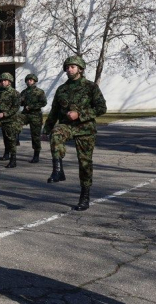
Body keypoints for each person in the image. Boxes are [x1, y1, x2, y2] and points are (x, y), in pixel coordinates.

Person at [42, 56, 107, 211]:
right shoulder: (62, 90)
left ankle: (85, 195)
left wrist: (80, 114)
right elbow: (54, 111)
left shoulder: (90, 87)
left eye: (73, 67)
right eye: (67, 67)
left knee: (85, 163)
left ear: (80, 69)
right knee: (56, 133)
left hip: (85, 129)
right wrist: (46, 129)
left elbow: (101, 108)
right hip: (67, 126)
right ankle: (58, 171)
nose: (69, 69)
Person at [0, 73, 21, 168]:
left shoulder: (14, 93)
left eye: (5, 80)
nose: (3, 82)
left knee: (10, 138)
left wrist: (5, 114)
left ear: (9, 82)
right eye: (1, 81)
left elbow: (15, 107)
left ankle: (13, 159)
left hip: (10, 118)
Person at [20, 73, 47, 163]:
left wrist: (31, 106)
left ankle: (36, 154)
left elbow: (43, 103)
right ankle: (15, 141)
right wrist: (21, 101)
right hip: (25, 114)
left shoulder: (39, 91)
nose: (29, 81)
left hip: (35, 115)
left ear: (34, 81)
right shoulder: (24, 92)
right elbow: (20, 103)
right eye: (27, 80)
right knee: (15, 123)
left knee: (35, 136)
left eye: (31, 80)